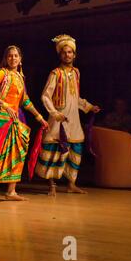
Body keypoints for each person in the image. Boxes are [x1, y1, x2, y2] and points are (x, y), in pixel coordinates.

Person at [0, 46, 49, 204]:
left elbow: (25, 100)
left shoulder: (20, 77)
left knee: (17, 155)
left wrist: (39, 117)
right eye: (10, 56)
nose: (13, 58)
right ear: (6, 59)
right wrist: (4, 104)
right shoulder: (2, 74)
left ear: (20, 59)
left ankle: (11, 191)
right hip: (0, 119)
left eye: (16, 56)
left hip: (15, 121)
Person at [35, 34, 101, 196]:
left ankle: (71, 184)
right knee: (55, 151)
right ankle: (52, 185)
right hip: (59, 119)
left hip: (73, 119)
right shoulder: (55, 73)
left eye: (70, 52)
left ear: (74, 55)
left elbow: (75, 97)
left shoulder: (76, 73)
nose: (67, 55)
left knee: (75, 150)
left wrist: (89, 106)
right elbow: (45, 96)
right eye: (64, 52)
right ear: (60, 55)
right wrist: (55, 113)